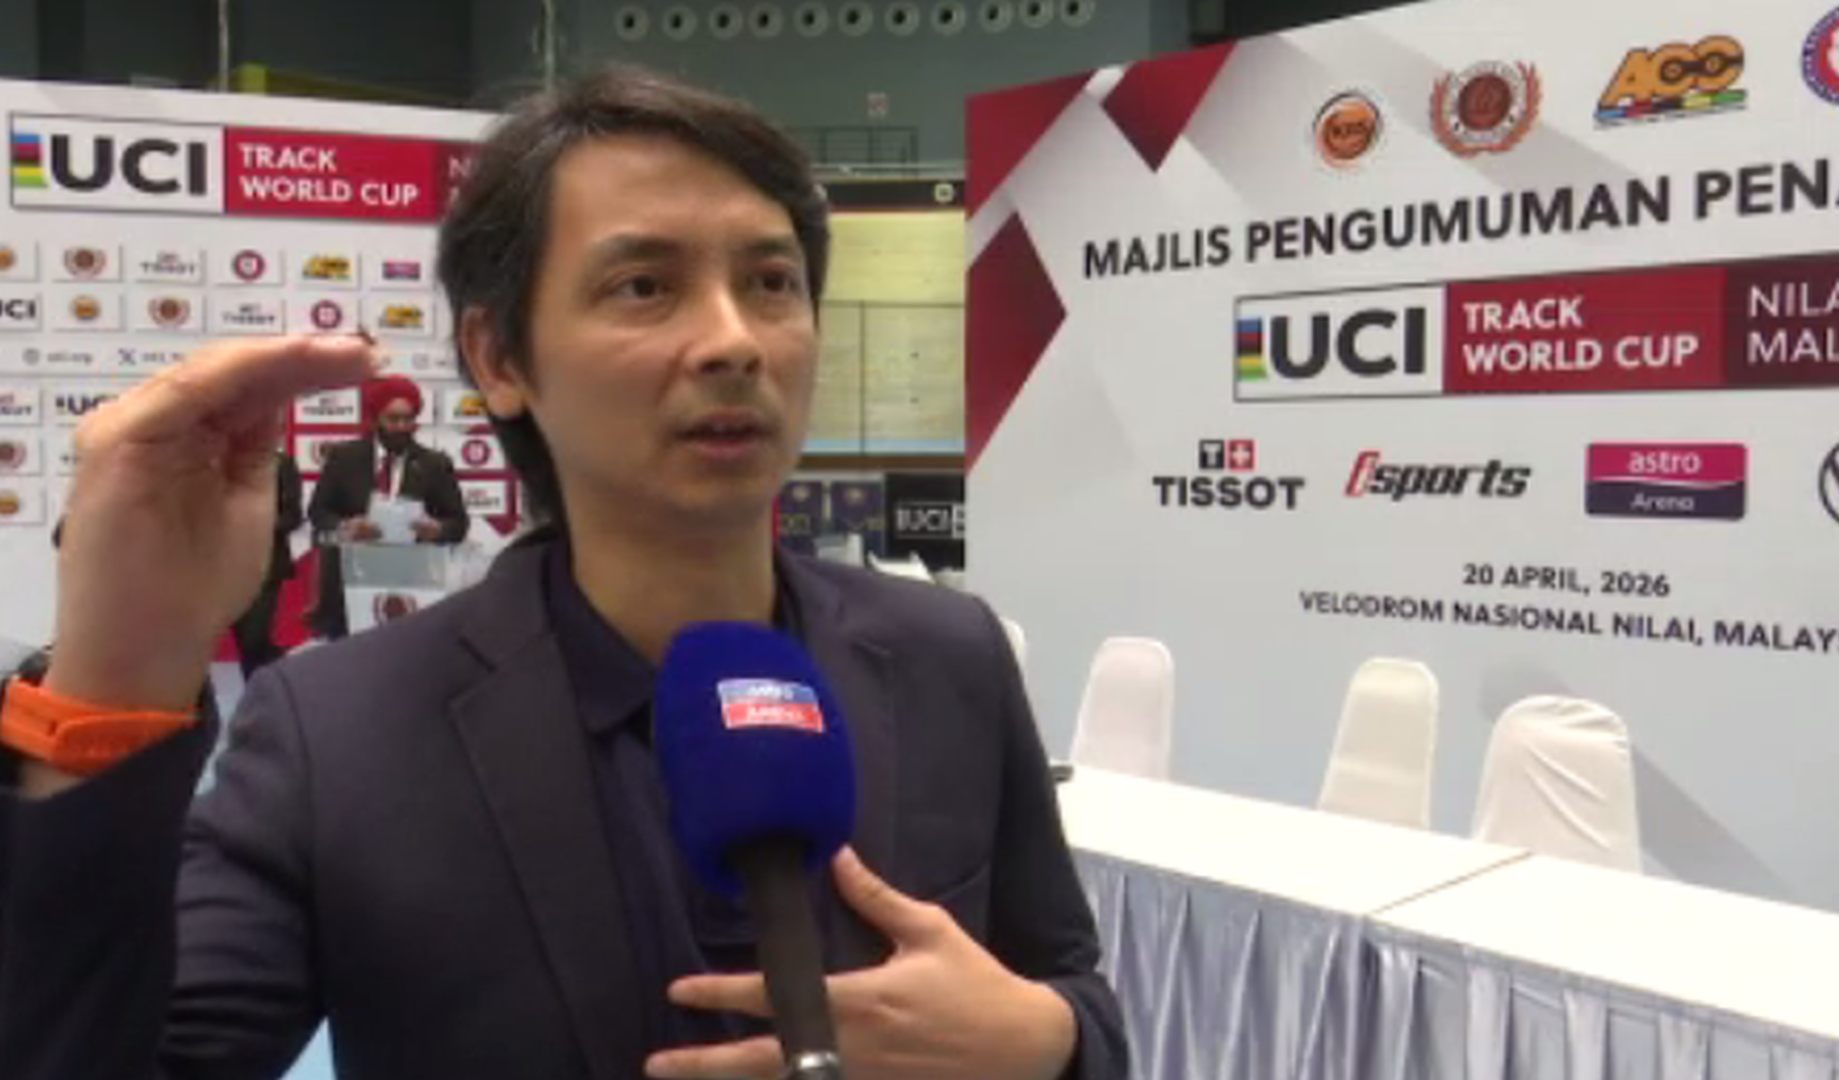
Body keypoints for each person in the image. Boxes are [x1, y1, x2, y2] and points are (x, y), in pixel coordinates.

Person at [0, 67, 1126, 1080]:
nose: (734, 340)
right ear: (499, 358)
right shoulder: (338, 736)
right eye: (644, 286)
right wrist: (113, 680)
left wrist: (1044, 1042)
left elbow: (1069, 988)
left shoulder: (946, 655)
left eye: (772, 282)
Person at [305, 374, 470, 639]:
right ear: (375, 419)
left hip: (411, 585)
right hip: (348, 583)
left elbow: (458, 524)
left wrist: (438, 530)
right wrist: (346, 527)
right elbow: (318, 512)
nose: (402, 427)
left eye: (408, 419)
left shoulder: (435, 464)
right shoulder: (344, 457)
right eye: (393, 419)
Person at [229, 450, 302, 677]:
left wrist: (258, 524)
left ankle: (268, 687)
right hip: (223, 567)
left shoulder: (281, 464)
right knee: (244, 643)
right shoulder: (214, 463)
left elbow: (293, 516)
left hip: (267, 564)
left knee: (254, 639)